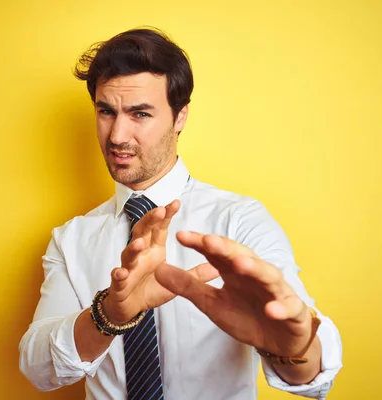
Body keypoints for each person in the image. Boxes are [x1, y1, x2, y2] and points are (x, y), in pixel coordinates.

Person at [19, 27, 343, 400]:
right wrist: (109, 315)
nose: (117, 136)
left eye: (140, 114)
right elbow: (38, 369)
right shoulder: (70, 239)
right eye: (106, 112)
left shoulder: (239, 221)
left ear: (180, 117)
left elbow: (313, 371)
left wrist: (294, 347)